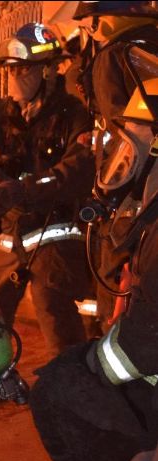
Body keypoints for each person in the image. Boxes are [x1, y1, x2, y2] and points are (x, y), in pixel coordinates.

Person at [29, 11, 158, 461]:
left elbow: (141, 347)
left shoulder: (117, 56)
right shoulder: (141, 52)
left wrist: (87, 367)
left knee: (60, 389)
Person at [0, 22, 96, 359]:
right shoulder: (1, 114)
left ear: (50, 71)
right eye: (10, 71)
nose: (14, 79)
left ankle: (67, 401)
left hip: (53, 241)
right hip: (8, 240)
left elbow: (78, 171)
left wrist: (21, 191)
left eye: (22, 70)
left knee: (60, 330)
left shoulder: (74, 116)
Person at [73, 1, 158, 334]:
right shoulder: (149, 48)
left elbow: (128, 141)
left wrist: (107, 195)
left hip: (135, 201)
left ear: (100, 22)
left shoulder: (113, 56)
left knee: (120, 303)